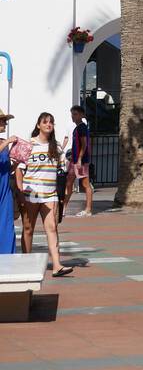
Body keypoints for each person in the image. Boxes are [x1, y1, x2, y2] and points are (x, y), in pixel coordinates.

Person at [20, 113, 72, 276]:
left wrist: (62, 192)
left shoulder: (56, 147)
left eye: (51, 122)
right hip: (31, 193)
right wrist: (21, 190)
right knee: (28, 229)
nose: (49, 124)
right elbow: (19, 170)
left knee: (52, 228)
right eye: (45, 122)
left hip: (50, 194)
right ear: (38, 125)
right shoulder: (29, 145)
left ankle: (57, 265)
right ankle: (26, 262)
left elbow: (62, 171)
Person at [62, 105, 94, 217]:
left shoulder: (82, 127)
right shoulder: (77, 128)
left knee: (86, 184)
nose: (73, 116)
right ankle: (63, 209)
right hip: (74, 161)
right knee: (69, 183)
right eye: (72, 114)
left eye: (75, 114)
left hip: (81, 161)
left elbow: (84, 145)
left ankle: (88, 209)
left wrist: (80, 159)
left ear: (82, 115)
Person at [0, 110, 18, 255]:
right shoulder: (4, 143)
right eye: (2, 120)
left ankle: (7, 255)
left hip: (4, 188)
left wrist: (17, 163)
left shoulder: (3, 143)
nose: (5, 123)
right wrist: (7, 141)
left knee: (6, 223)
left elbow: (7, 168)